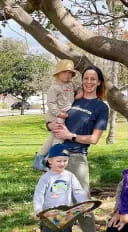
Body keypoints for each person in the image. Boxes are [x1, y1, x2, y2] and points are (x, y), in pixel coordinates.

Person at [48, 66, 109, 232]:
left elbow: (94, 139)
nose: (88, 82)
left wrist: (71, 136)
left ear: (99, 82)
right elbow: (55, 116)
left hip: (76, 157)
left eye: (93, 79)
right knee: (57, 201)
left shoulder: (101, 107)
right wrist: (49, 124)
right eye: (86, 78)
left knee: (82, 203)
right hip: (56, 155)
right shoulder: (73, 99)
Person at [33, 59, 79, 172]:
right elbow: (51, 103)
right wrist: (59, 114)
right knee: (59, 138)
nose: (67, 75)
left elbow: (78, 91)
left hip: (63, 114)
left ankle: (39, 158)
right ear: (58, 74)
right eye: (65, 72)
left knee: (52, 138)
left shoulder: (71, 84)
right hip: (56, 115)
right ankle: (49, 161)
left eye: (70, 73)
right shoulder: (54, 87)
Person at [33, 144, 88, 232]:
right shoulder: (46, 178)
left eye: (65, 160)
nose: (62, 163)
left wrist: (84, 205)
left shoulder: (70, 176)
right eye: (59, 161)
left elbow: (78, 192)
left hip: (66, 215)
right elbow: (39, 194)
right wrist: (38, 209)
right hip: (49, 216)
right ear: (50, 160)